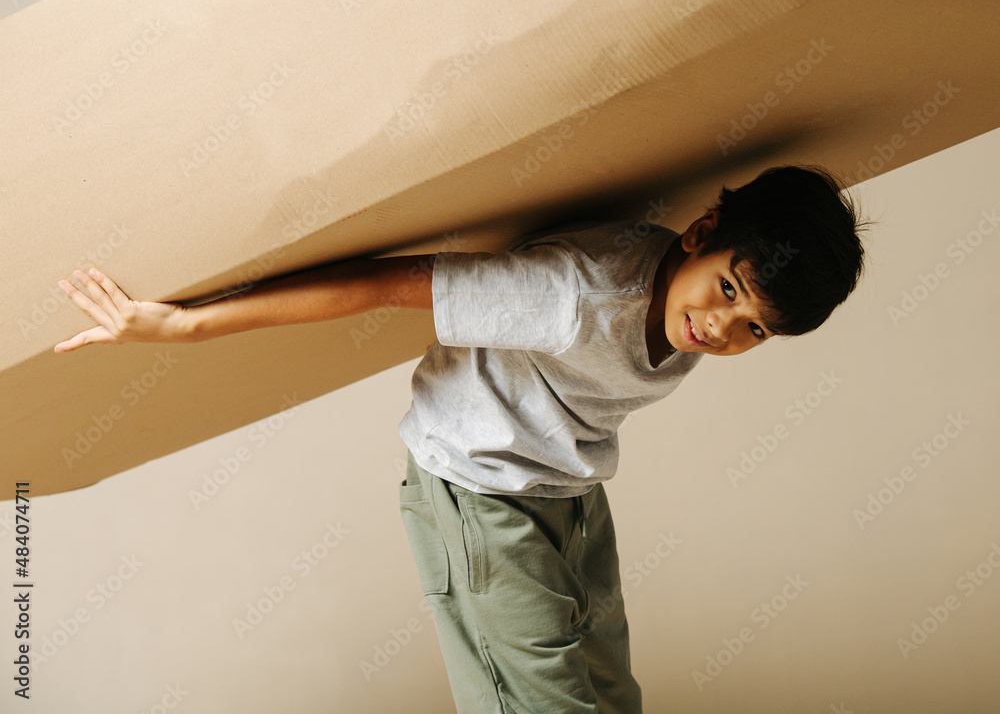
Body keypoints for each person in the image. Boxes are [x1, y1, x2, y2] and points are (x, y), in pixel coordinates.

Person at [55, 163, 871, 713]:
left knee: (610, 692)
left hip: (569, 492)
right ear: (700, 232)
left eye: (753, 330)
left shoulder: (695, 307)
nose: (718, 326)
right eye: (726, 289)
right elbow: (387, 283)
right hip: (479, 497)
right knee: (541, 704)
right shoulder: (569, 295)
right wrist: (186, 325)